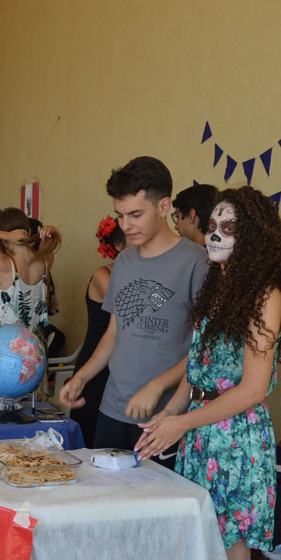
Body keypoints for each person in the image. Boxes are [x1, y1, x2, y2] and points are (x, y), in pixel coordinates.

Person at [134, 187, 281, 560]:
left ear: (252, 237)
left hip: (236, 444)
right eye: (212, 226)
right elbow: (197, 374)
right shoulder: (218, 288)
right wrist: (169, 416)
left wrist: (182, 422)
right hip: (201, 436)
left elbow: (252, 390)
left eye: (228, 228)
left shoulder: (266, 295)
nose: (215, 235)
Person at [58, 156, 209, 454]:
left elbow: (203, 346)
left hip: (165, 417)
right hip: (113, 406)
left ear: (164, 207)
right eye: (120, 215)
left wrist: (157, 386)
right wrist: (82, 377)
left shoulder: (197, 262)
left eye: (136, 214)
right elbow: (114, 333)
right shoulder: (124, 261)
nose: (126, 225)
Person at [68, 216, 126, 446]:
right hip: (97, 356)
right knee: (90, 433)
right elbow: (128, 310)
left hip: (121, 363)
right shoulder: (103, 274)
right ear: (119, 246)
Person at [0, 207, 60, 336]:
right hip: (34, 347)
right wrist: (49, 229)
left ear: (3, 240)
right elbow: (53, 236)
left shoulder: (5, 265)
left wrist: (7, 235)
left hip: (5, 348)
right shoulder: (45, 262)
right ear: (29, 231)